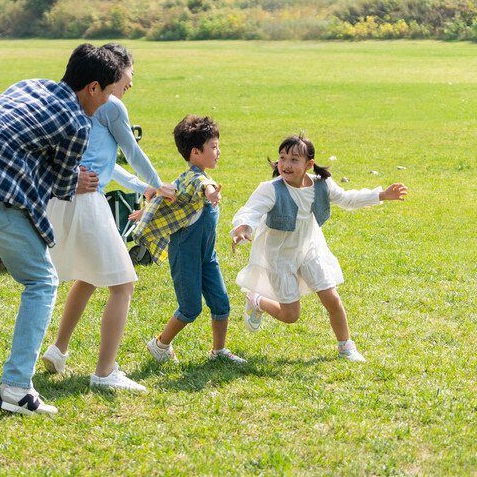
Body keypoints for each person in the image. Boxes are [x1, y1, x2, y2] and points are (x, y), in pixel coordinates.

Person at [0, 43, 123, 415]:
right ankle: (17, 388)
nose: (110, 101)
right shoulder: (77, 122)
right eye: (111, 91)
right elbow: (62, 183)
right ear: (93, 87)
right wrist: (75, 181)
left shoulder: (28, 83)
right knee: (42, 281)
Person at [41, 43, 176, 392]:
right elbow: (132, 151)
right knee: (123, 283)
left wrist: (144, 185)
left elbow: (108, 163)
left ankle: (58, 350)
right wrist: (159, 184)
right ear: (115, 73)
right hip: (87, 201)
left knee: (87, 277)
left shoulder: (82, 103)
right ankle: (105, 372)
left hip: (63, 198)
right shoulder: (112, 107)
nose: (130, 83)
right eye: (128, 76)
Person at [231, 135, 408, 362]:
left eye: (294, 159)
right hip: (279, 256)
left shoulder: (321, 186)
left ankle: (346, 347)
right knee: (290, 315)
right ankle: (256, 300)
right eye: (282, 158)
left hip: (309, 249)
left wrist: (381, 194)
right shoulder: (270, 189)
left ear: (309, 164)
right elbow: (251, 211)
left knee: (331, 297)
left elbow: (347, 199)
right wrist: (242, 229)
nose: (286, 164)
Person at [134, 115, 247, 365]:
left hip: (207, 256)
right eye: (214, 147)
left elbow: (167, 193)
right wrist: (211, 193)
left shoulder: (185, 178)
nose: (219, 151)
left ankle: (218, 352)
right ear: (195, 152)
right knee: (190, 308)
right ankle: (160, 344)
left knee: (221, 302)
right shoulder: (197, 179)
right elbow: (203, 186)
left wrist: (148, 206)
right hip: (185, 253)